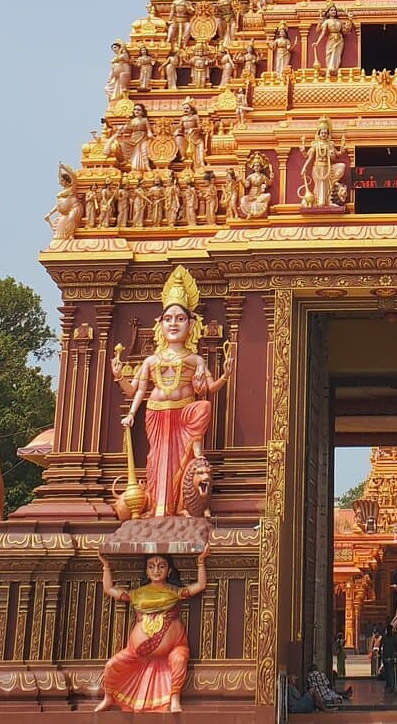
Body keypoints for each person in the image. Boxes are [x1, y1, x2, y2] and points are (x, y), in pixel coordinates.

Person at [115, 267, 233, 517]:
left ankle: (182, 503)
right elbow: (136, 391)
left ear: (191, 325)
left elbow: (207, 390)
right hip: (157, 413)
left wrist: (224, 375)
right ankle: (160, 508)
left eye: (180, 319)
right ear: (160, 325)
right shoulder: (151, 360)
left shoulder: (195, 359)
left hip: (184, 415)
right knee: (157, 461)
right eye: (168, 319)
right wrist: (121, 384)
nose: (174, 324)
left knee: (202, 411)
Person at [95, 546, 208, 714]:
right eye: (151, 566)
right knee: (111, 665)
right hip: (137, 652)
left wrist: (200, 562)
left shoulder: (175, 592)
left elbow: (200, 585)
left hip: (173, 647)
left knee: (179, 660)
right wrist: (106, 566)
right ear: (146, 572)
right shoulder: (137, 594)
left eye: (161, 566)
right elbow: (109, 589)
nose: (156, 570)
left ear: (169, 571)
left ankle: (174, 698)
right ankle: (108, 698)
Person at [380, 623, 397, 693]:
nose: (390, 631)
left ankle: (391, 685)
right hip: (385, 657)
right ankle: (388, 685)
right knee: (387, 672)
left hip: (391, 657)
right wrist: (379, 653)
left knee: (391, 672)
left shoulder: (394, 638)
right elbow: (381, 645)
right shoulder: (384, 637)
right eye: (389, 630)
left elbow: (396, 646)